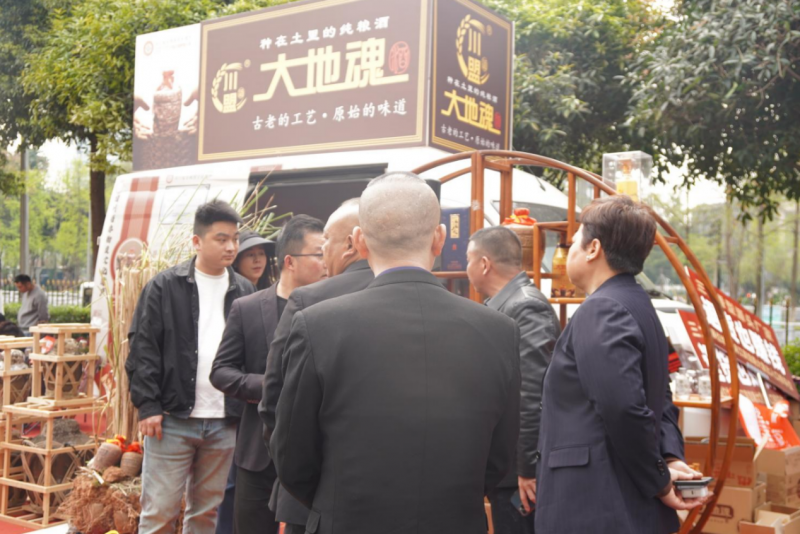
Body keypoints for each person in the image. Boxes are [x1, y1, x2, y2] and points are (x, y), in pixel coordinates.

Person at [270, 172, 521, 534]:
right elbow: (499, 458)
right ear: (439, 238)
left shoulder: (318, 325)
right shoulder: (497, 330)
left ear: (360, 241)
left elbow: (291, 454)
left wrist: (336, 503)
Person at [534, 195, 710, 534]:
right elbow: (660, 397)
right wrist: (670, 457)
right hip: (622, 503)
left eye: (574, 240)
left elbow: (623, 408)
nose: (568, 251)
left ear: (593, 249)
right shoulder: (638, 303)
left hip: (596, 505)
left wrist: (660, 480)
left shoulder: (603, 309)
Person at [127, 200, 255, 534]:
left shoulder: (244, 289)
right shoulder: (164, 286)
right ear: (196, 241)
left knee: (205, 514)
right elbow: (143, 347)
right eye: (221, 239)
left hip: (224, 420)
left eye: (235, 239)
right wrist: (148, 406)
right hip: (171, 419)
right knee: (159, 514)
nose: (231, 247)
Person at [259, 198, 372, 534]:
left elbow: (274, 397)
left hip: (312, 497)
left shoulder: (309, 299)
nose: (323, 255)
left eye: (326, 244)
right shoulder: (417, 298)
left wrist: (297, 477)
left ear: (351, 243)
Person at [210, 215, 326, 534]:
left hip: (315, 453)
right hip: (258, 452)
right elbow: (221, 372)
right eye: (319, 254)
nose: (326, 262)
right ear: (290, 261)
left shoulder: (333, 308)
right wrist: (269, 386)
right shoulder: (247, 307)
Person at [466, 226, 560, 533]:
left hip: (518, 472)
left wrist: (527, 468)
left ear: (484, 264)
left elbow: (531, 394)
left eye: (468, 260)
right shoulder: (506, 304)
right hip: (506, 465)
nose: (466, 268)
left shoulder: (526, 306)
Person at [215, 228, 279, 534]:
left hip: (264, 417)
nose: (257, 260)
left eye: (261, 254)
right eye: (250, 255)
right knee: (232, 487)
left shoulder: (275, 293)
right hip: (234, 407)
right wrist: (264, 386)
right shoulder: (237, 298)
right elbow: (224, 364)